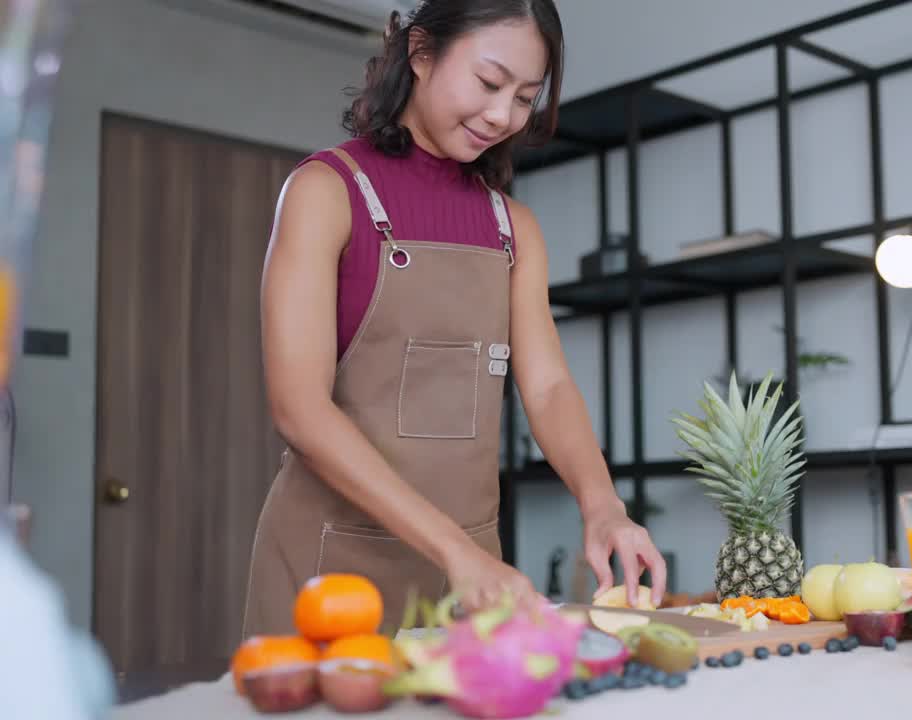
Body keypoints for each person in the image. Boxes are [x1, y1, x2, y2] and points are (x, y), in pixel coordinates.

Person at [242, 0, 666, 637]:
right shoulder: (325, 192)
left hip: (469, 578)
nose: (502, 115)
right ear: (421, 53)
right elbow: (300, 408)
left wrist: (602, 505)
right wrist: (454, 550)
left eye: (525, 97)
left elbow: (548, 387)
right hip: (330, 570)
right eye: (489, 82)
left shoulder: (513, 227)